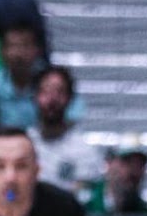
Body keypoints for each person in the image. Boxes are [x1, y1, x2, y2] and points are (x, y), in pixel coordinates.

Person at [26, 66, 102, 202]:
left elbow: (85, 198)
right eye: (45, 91)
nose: (52, 99)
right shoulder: (23, 144)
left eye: (59, 92)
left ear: (70, 99)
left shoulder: (84, 150)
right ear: (35, 97)